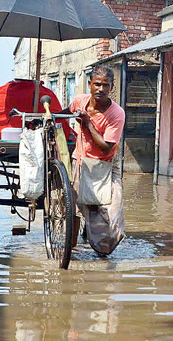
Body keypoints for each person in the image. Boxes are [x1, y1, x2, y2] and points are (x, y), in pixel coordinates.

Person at [64, 66, 126, 255]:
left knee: (112, 210)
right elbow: (67, 111)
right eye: (97, 84)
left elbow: (107, 147)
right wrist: (45, 118)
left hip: (105, 165)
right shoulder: (79, 102)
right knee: (74, 207)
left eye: (105, 85)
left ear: (111, 88)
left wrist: (88, 124)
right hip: (82, 162)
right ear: (89, 84)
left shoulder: (116, 114)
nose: (100, 89)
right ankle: (71, 249)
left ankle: (104, 247)